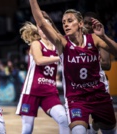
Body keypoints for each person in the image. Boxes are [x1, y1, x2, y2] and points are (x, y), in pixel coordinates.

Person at [29, 0, 117, 134]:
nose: (66, 24)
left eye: (70, 21)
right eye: (64, 22)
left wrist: (104, 36)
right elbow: (41, 23)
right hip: (77, 99)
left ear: (80, 23)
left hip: (99, 96)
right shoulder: (62, 43)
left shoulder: (94, 38)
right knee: (78, 131)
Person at [16, 21, 70, 134]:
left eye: (47, 27)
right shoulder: (36, 43)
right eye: (41, 27)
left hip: (49, 92)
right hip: (31, 91)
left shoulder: (57, 47)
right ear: (38, 31)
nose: (44, 29)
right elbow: (39, 61)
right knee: (27, 129)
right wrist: (60, 58)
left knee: (64, 119)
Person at [83, 12, 112, 134]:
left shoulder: (100, 39)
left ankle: (93, 130)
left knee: (99, 119)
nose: (87, 26)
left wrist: (87, 62)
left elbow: (107, 64)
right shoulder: (76, 39)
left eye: (90, 23)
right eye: (85, 23)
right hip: (81, 84)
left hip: (99, 84)